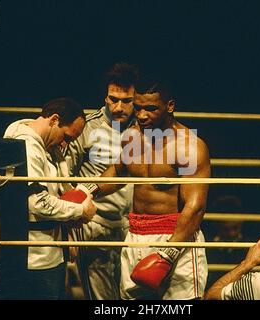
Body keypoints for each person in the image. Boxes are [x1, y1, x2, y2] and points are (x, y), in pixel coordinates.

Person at [76, 74, 210, 299]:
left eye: (150, 108)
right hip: (136, 234)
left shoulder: (188, 146)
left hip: (176, 236)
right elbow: (118, 172)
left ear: (170, 106)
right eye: (137, 108)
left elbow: (195, 206)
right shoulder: (132, 137)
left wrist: (168, 253)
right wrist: (85, 190)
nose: (141, 115)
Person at [3, 97, 97, 299]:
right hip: (36, 256)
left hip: (48, 251)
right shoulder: (26, 147)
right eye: (66, 137)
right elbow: (37, 202)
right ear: (54, 119)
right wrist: (80, 210)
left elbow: (60, 189)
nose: (65, 144)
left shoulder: (46, 145)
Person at [64, 62, 138, 299]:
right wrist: (68, 229)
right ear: (105, 97)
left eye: (126, 100)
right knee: (101, 299)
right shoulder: (87, 126)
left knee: (131, 295)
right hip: (93, 225)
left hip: (132, 227)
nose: (118, 106)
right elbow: (63, 177)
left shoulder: (145, 129)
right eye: (112, 98)